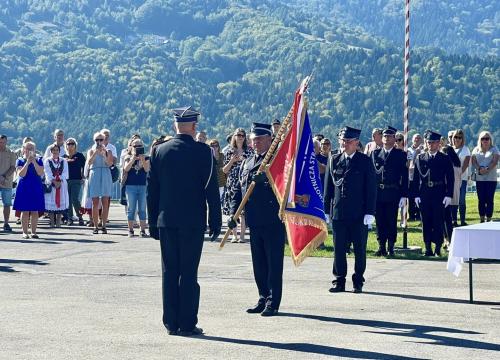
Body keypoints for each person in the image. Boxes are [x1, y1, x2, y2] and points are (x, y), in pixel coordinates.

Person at [147, 106, 221, 337]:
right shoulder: (203, 152)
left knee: (169, 271)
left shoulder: (159, 151)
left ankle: (170, 322)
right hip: (193, 221)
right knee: (188, 272)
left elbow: (152, 191)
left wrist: (152, 222)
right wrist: (216, 220)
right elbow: (211, 189)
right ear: (194, 126)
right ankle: (187, 322)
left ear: (175, 125)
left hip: (167, 220)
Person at [228, 122, 286, 316]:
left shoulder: (276, 162)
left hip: (272, 219)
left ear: (270, 139)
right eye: (254, 140)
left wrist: (269, 179)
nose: (256, 143)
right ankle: (262, 297)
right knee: (259, 263)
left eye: (260, 139)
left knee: (273, 263)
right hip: (253, 220)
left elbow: (284, 187)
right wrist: (233, 214)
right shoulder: (247, 162)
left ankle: (273, 301)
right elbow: (239, 189)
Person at [323, 126, 376, 293]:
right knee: (339, 249)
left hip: (359, 214)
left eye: (348, 141)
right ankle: (339, 280)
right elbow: (328, 188)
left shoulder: (365, 161)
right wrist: (326, 210)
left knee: (359, 249)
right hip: (339, 212)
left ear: (356, 143)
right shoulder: (334, 159)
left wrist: (370, 212)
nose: (345, 144)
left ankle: (358, 280)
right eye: (343, 141)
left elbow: (371, 189)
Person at [412, 130, 454, 256]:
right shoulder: (420, 158)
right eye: (429, 142)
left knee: (438, 220)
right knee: (426, 220)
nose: (431, 145)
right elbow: (415, 178)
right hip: (425, 192)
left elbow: (450, 178)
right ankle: (427, 247)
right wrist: (416, 195)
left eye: (434, 142)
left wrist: (449, 195)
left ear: (438, 143)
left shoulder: (444, 158)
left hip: (439, 192)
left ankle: (438, 246)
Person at [371, 126, 408, 256]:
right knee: (380, 220)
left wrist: (404, 195)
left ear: (394, 139)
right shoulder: (375, 154)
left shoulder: (401, 155)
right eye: (385, 136)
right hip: (379, 192)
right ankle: (381, 246)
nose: (387, 138)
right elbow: (372, 175)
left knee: (391, 220)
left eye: (390, 136)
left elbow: (404, 176)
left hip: (393, 191)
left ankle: (391, 246)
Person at [222, 128, 254, 243]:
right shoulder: (229, 151)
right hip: (232, 182)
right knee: (233, 210)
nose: (240, 137)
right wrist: (232, 161)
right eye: (238, 135)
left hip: (244, 182)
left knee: (243, 211)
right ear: (234, 137)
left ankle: (242, 236)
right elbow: (224, 170)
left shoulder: (249, 151)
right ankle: (234, 235)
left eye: (242, 135)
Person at [13, 141, 45, 239]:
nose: (29, 150)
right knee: (25, 211)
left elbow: (40, 172)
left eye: (31, 148)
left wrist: (34, 161)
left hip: (35, 187)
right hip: (24, 187)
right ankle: (25, 232)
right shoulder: (20, 160)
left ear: (35, 150)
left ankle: (34, 232)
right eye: (27, 148)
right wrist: (27, 162)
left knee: (35, 211)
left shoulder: (39, 160)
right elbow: (21, 174)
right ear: (23, 149)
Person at [122, 138, 150, 237]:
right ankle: (130, 230)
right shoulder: (128, 157)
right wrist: (133, 158)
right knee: (131, 208)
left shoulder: (146, 157)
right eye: (135, 146)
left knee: (142, 208)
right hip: (130, 186)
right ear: (131, 147)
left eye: (139, 146)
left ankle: (142, 230)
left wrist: (142, 159)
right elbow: (126, 169)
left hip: (142, 186)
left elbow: (147, 169)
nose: (137, 148)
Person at [86, 132, 113, 234]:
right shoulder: (91, 151)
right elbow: (89, 163)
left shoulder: (108, 151)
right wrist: (95, 153)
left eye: (101, 139)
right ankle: (96, 226)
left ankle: (104, 225)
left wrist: (104, 155)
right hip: (95, 173)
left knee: (105, 201)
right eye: (97, 140)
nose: (99, 142)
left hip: (105, 173)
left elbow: (110, 163)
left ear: (104, 140)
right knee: (95, 202)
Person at [471, 131, 498, 223]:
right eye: (483, 138)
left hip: (491, 178)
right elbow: (473, 161)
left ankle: (489, 218)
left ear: (490, 140)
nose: (485, 140)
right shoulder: (476, 149)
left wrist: (487, 169)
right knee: (481, 199)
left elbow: (495, 161)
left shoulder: (494, 149)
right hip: (480, 178)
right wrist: (479, 169)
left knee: (490, 199)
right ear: (480, 140)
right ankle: (482, 218)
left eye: (487, 138)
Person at [43, 144, 69, 227]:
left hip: (61, 184)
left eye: (57, 150)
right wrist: (54, 181)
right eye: (53, 150)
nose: (55, 151)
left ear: (59, 151)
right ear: (51, 151)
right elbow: (47, 173)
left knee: (60, 202)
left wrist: (59, 180)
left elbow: (65, 173)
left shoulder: (63, 160)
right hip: (51, 184)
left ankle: (58, 221)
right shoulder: (47, 160)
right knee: (51, 202)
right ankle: (52, 221)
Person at [63, 138, 86, 226]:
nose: (70, 145)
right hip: (66, 180)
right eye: (68, 144)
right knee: (68, 200)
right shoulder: (64, 157)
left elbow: (85, 166)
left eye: (72, 144)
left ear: (75, 145)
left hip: (77, 180)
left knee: (75, 199)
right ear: (66, 146)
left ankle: (80, 216)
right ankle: (70, 218)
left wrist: (84, 176)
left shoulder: (80, 156)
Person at [451, 129, 470, 226]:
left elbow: (466, 163)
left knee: (461, 200)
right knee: (453, 200)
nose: (457, 139)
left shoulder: (465, 149)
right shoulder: (450, 149)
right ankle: (454, 220)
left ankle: (462, 220)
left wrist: (459, 174)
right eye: (455, 137)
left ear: (462, 139)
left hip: (462, 178)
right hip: (451, 179)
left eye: (459, 137)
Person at [0, 135, 17, 232]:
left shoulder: (11, 153)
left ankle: (6, 223)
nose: (1, 144)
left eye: (2, 142)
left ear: (6, 142)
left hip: (6, 182)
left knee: (7, 204)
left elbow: (13, 167)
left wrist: (3, 176)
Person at [407, 133, 424, 221]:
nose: (417, 140)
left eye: (419, 138)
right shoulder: (409, 150)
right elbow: (410, 164)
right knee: (411, 196)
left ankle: (419, 213)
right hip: (411, 176)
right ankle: (411, 214)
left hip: (421, 177)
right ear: (412, 140)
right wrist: (416, 153)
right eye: (415, 138)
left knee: (419, 195)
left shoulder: (424, 150)